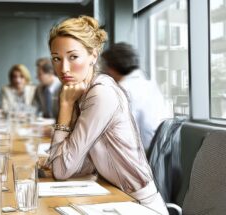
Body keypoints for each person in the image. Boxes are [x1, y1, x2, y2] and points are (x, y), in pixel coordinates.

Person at [46, 16, 169, 214]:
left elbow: (61, 170)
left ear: (93, 56)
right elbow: (81, 164)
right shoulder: (83, 92)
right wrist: (58, 160)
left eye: (73, 57)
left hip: (139, 206)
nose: (63, 68)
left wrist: (65, 105)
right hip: (115, 199)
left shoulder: (101, 93)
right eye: (56, 58)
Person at [101, 42, 168, 154]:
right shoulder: (150, 85)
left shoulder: (120, 91)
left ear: (111, 68)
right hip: (158, 156)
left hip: (137, 157)